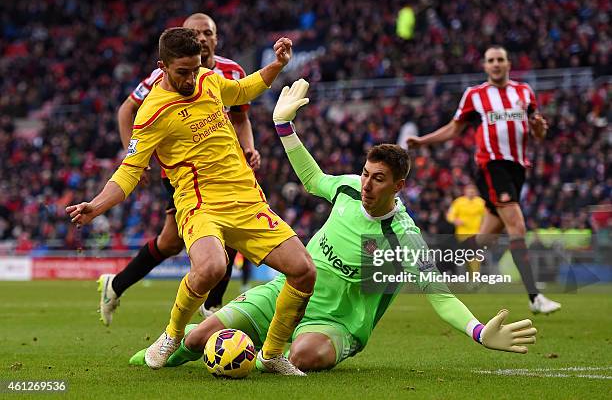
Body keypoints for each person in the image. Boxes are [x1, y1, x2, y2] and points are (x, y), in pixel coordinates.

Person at [129, 79, 537, 371]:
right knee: (199, 338)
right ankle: (169, 352)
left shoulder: (404, 237)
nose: (366, 184)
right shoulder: (346, 189)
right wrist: (285, 129)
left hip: (338, 321)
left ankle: (263, 352)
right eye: (364, 173)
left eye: (378, 179)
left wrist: (479, 331)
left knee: (304, 356)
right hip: (285, 293)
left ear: (399, 185)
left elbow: (440, 296)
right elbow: (312, 179)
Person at [67, 28, 316, 375]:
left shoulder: (209, 81)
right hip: (200, 205)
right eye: (182, 72)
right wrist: (96, 205)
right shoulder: (152, 113)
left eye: (195, 69)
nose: (190, 78)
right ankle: (171, 334)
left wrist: (276, 64)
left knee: (304, 271)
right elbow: (128, 171)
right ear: (162, 66)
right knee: (212, 267)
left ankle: (272, 354)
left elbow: (244, 89)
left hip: (247, 200)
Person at [98, 13, 258, 327]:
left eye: (207, 33)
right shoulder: (166, 77)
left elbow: (240, 117)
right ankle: (211, 307)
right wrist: (134, 152)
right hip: (182, 171)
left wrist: (249, 146)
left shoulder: (232, 71)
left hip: (223, 167)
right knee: (188, 239)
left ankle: (117, 286)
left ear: (216, 37)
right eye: (195, 33)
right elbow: (126, 110)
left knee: (176, 241)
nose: (202, 39)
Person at [407, 46, 561, 314]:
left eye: (500, 59)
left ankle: (429, 267)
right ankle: (534, 296)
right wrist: (423, 141)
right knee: (517, 224)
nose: (496, 64)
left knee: (485, 238)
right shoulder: (475, 96)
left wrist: (539, 129)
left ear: (508, 63)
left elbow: (538, 132)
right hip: (491, 166)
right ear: (485, 66)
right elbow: (455, 128)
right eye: (491, 60)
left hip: (517, 168)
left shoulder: (524, 92)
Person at [447, 184, 485, 275]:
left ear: (476, 192)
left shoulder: (481, 202)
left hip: (476, 234)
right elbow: (450, 215)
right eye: (469, 190)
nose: (471, 192)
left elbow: (487, 217)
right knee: (465, 257)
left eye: (473, 190)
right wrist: (455, 220)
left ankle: (474, 277)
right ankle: (466, 277)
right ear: (465, 191)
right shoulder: (458, 202)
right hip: (462, 235)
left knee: (475, 256)